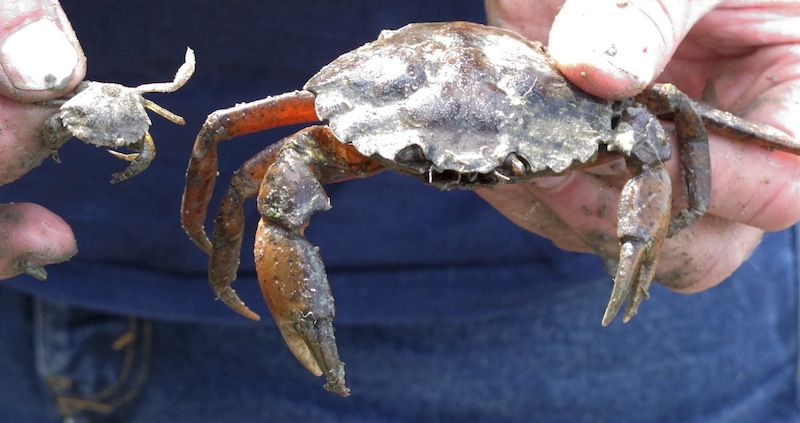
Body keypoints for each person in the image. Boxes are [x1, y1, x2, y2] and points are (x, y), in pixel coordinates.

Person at [0, 0, 798, 422]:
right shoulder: (314, 140)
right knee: (271, 187)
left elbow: (673, 126)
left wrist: (679, 210)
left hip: (589, 348)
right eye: (422, 160)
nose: (456, 172)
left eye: (507, 166)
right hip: (23, 284)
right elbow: (224, 149)